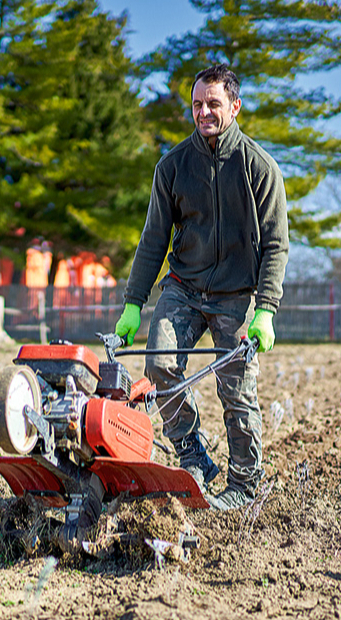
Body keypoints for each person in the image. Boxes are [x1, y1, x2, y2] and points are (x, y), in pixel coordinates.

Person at [115, 63, 289, 511]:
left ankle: (245, 484)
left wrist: (266, 309)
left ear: (235, 106)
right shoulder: (173, 167)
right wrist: (134, 304)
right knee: (159, 363)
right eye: (197, 104)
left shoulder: (259, 168)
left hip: (236, 295)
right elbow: (153, 238)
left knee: (236, 389)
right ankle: (193, 454)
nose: (204, 111)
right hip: (184, 287)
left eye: (213, 103)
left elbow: (276, 244)